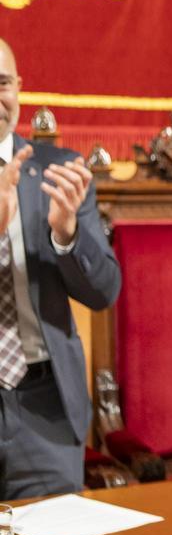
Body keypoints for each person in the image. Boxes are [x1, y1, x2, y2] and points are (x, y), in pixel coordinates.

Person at [0, 39, 122, 499]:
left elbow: (104, 291)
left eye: (3, 83)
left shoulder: (59, 171)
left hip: (44, 407)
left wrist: (66, 233)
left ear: (19, 89)